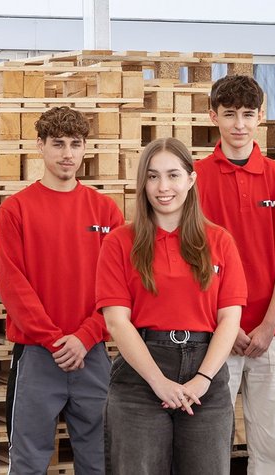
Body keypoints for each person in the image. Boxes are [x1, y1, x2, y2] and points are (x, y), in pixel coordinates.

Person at [96, 138, 246, 474]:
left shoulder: (219, 241)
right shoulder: (119, 243)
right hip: (140, 374)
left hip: (206, 371)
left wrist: (203, 379)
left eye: (173, 175)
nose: (163, 187)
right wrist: (158, 382)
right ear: (143, 183)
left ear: (191, 180)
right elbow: (118, 322)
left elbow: (229, 318)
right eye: (152, 177)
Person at [0, 106, 123, 474]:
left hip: (93, 354)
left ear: (85, 148)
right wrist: (55, 341)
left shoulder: (106, 211)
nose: (68, 153)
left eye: (75, 144)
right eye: (58, 144)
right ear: (40, 146)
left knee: (100, 461)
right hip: (37, 357)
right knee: (28, 463)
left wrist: (85, 337)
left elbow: (119, 287)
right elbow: (12, 285)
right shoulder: (16, 210)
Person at [194, 74, 275, 475]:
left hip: (273, 332)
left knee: (271, 444)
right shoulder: (195, 177)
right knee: (211, 441)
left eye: (248, 115)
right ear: (212, 116)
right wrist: (226, 325)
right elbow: (193, 260)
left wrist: (271, 323)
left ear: (260, 117)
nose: (239, 124)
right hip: (216, 330)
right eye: (230, 114)